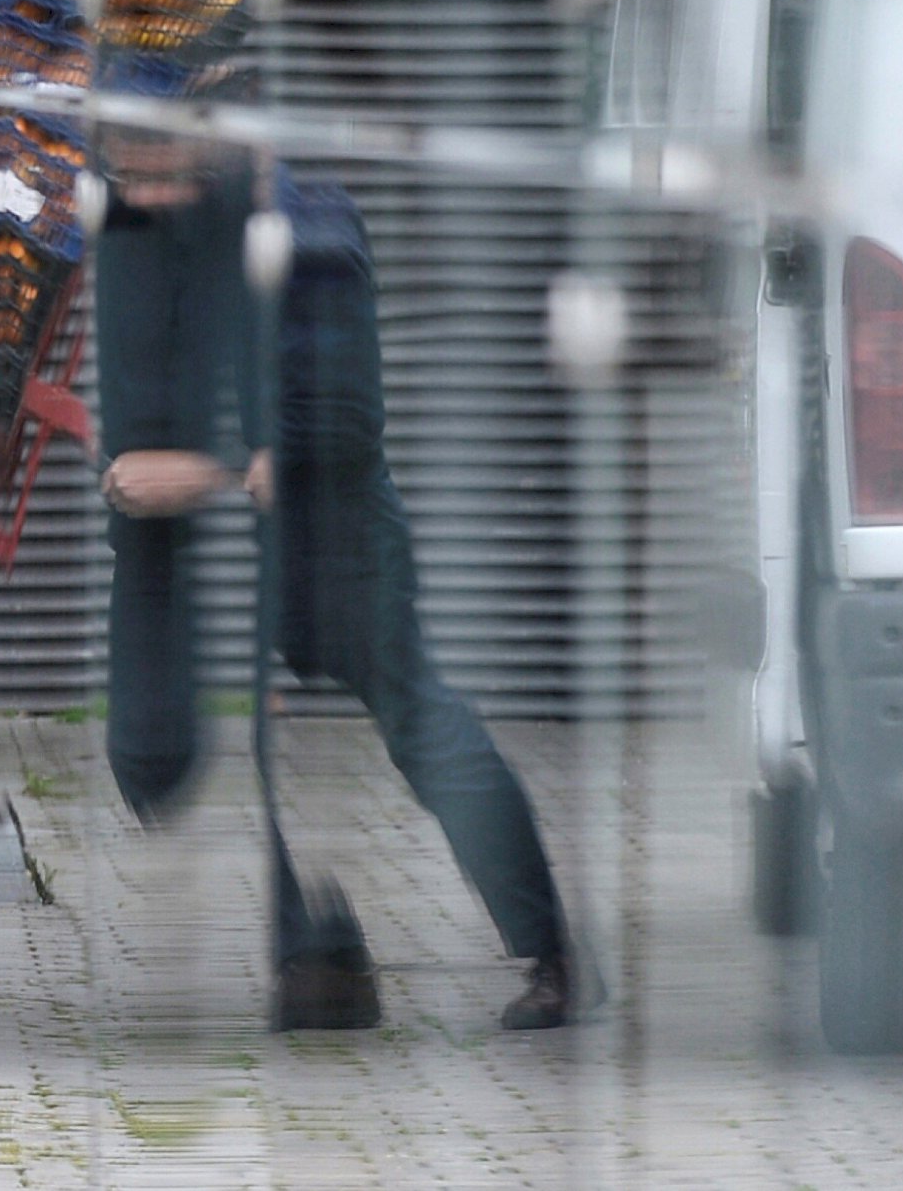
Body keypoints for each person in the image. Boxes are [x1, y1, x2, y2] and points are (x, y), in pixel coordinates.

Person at [93, 136, 594, 1032]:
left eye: (153, 169)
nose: (143, 193)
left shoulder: (310, 235)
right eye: (128, 176)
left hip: (343, 543)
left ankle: (554, 957)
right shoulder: (187, 236)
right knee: (264, 750)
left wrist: (193, 471)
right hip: (264, 549)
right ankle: (321, 965)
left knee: (422, 727)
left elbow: (337, 428)